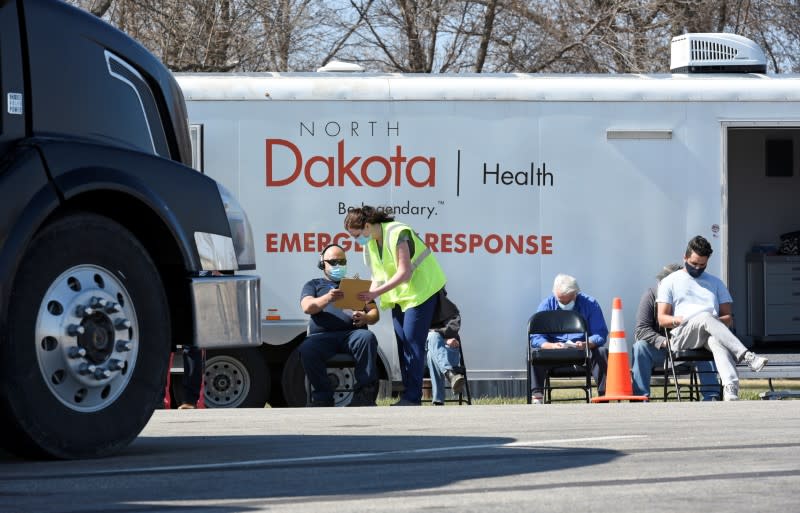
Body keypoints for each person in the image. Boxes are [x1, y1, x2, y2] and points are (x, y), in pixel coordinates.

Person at [344, 206, 447, 406]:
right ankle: (409, 394)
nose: (356, 240)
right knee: (402, 342)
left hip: (421, 291)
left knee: (412, 342)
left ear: (367, 226)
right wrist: (364, 299)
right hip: (401, 295)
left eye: (356, 235)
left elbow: (405, 272)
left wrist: (375, 293)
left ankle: (413, 397)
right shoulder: (372, 243)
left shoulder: (397, 233)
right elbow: (378, 277)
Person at [656, 235, 768, 401]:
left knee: (715, 340)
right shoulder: (670, 281)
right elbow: (662, 319)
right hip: (683, 334)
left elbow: (728, 317)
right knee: (706, 317)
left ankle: (730, 389)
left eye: (703, 265)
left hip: (709, 331)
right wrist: (678, 320)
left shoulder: (716, 282)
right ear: (685, 257)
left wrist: (711, 322)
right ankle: (747, 356)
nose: (698, 268)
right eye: (694, 263)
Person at [299, 243, 379, 407]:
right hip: (323, 337)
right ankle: (322, 397)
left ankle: (364, 396)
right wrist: (328, 298)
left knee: (367, 337)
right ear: (323, 264)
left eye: (342, 262)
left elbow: (374, 313)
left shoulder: (356, 285)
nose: (338, 266)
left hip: (352, 334)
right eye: (334, 262)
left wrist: (365, 317)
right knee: (307, 348)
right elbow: (307, 307)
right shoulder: (313, 285)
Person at [631, 263, 719, 400]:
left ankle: (712, 395)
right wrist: (664, 342)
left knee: (706, 345)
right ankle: (640, 397)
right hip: (661, 350)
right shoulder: (651, 296)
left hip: (688, 346)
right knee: (640, 347)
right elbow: (641, 329)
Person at [529, 274, 609, 404]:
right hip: (554, 351)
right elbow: (536, 337)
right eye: (560, 300)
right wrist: (550, 346)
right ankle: (537, 396)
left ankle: (604, 395)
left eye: (568, 300)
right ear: (554, 293)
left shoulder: (590, 304)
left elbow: (600, 333)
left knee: (601, 352)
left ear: (576, 294)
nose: (564, 303)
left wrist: (586, 344)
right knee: (535, 354)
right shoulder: (546, 305)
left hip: (582, 351)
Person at [426, 289, 466, 405]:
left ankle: (438, 399)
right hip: (426, 358)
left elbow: (453, 328)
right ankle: (450, 374)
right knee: (432, 342)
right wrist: (442, 339)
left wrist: (440, 337)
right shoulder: (419, 314)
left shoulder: (450, 310)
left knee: (432, 350)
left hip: (448, 353)